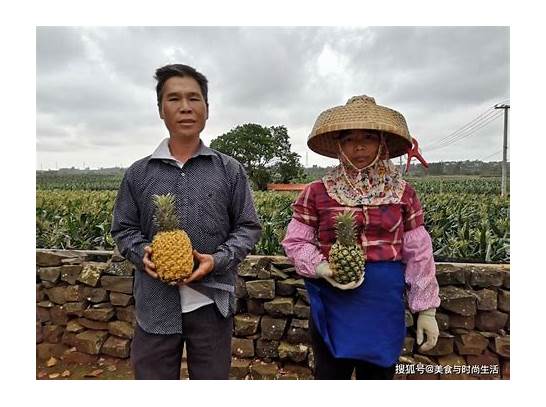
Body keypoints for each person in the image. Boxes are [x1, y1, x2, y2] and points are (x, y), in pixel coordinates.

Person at [111, 64, 262, 380]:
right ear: (160, 110)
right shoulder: (138, 174)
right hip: (153, 306)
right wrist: (142, 253)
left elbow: (248, 227)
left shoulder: (229, 170)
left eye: (194, 98)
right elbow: (123, 228)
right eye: (174, 99)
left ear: (207, 108)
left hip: (212, 301)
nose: (185, 107)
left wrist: (218, 260)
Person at [281, 95, 440, 380]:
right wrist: (321, 267)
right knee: (330, 376)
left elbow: (418, 252)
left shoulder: (403, 193)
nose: (359, 146)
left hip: (383, 304)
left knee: (378, 377)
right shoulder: (317, 191)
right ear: (340, 145)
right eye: (349, 139)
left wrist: (426, 309)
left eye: (368, 137)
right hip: (334, 299)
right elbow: (296, 241)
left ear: (381, 142)